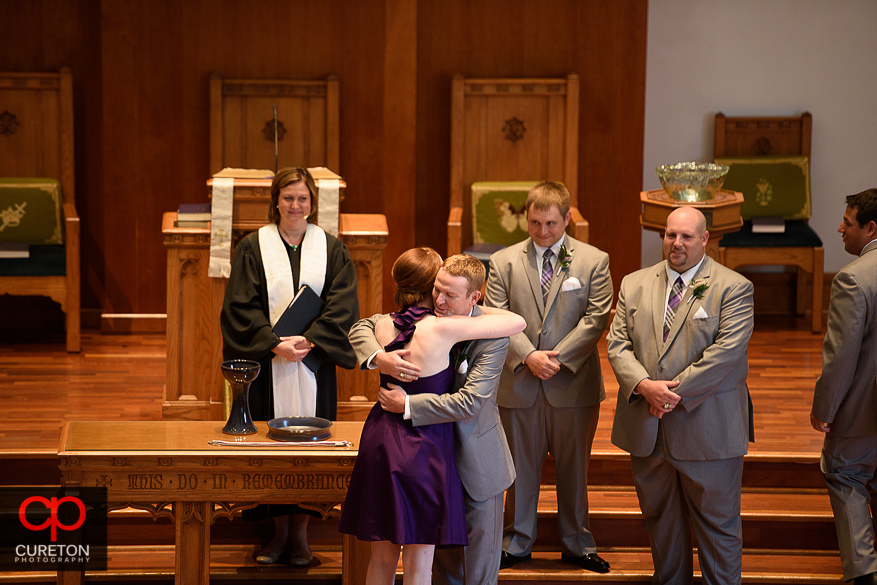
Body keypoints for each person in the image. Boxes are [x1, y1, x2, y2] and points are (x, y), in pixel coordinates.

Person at [338, 247, 525, 585]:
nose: (440, 300)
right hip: (425, 452)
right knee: (422, 563)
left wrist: (408, 404)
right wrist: (379, 357)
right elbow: (359, 327)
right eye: (436, 289)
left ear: (474, 297)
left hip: (469, 456)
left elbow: (471, 402)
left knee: (472, 573)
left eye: (449, 294)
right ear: (428, 285)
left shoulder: (484, 332)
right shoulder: (438, 328)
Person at [606, 206, 754, 585]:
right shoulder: (633, 283)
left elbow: (726, 354)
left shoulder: (733, 287)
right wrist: (643, 386)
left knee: (717, 528)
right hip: (647, 429)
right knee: (661, 524)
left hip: (707, 429)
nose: (677, 243)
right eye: (671, 234)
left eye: (687, 236)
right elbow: (617, 345)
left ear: (705, 238)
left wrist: (669, 395)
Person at [220, 166, 359, 566]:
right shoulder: (252, 246)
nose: (295, 205)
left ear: (312, 203)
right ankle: (277, 535)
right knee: (272, 448)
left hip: (313, 364)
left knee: (310, 450)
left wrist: (312, 339)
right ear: (276, 202)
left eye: (302, 198)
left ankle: (302, 537)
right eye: (288, 198)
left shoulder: (331, 248)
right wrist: (272, 344)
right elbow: (238, 307)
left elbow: (343, 304)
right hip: (269, 365)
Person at [484, 180, 613, 573]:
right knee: (520, 468)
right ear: (527, 216)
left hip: (572, 382)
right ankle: (515, 541)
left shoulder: (594, 260)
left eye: (551, 223)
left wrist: (554, 359)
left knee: (574, 468)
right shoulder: (502, 262)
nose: (543, 231)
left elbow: (596, 319)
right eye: (536, 222)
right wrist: (528, 356)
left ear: (567, 218)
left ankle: (577, 544)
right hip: (520, 381)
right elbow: (496, 316)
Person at [811, 188, 877, 585]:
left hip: (863, 410)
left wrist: (824, 409)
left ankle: (866, 572)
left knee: (845, 474)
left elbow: (841, 357)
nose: (840, 228)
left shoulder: (853, 278)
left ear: (871, 228)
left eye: (848, 223)